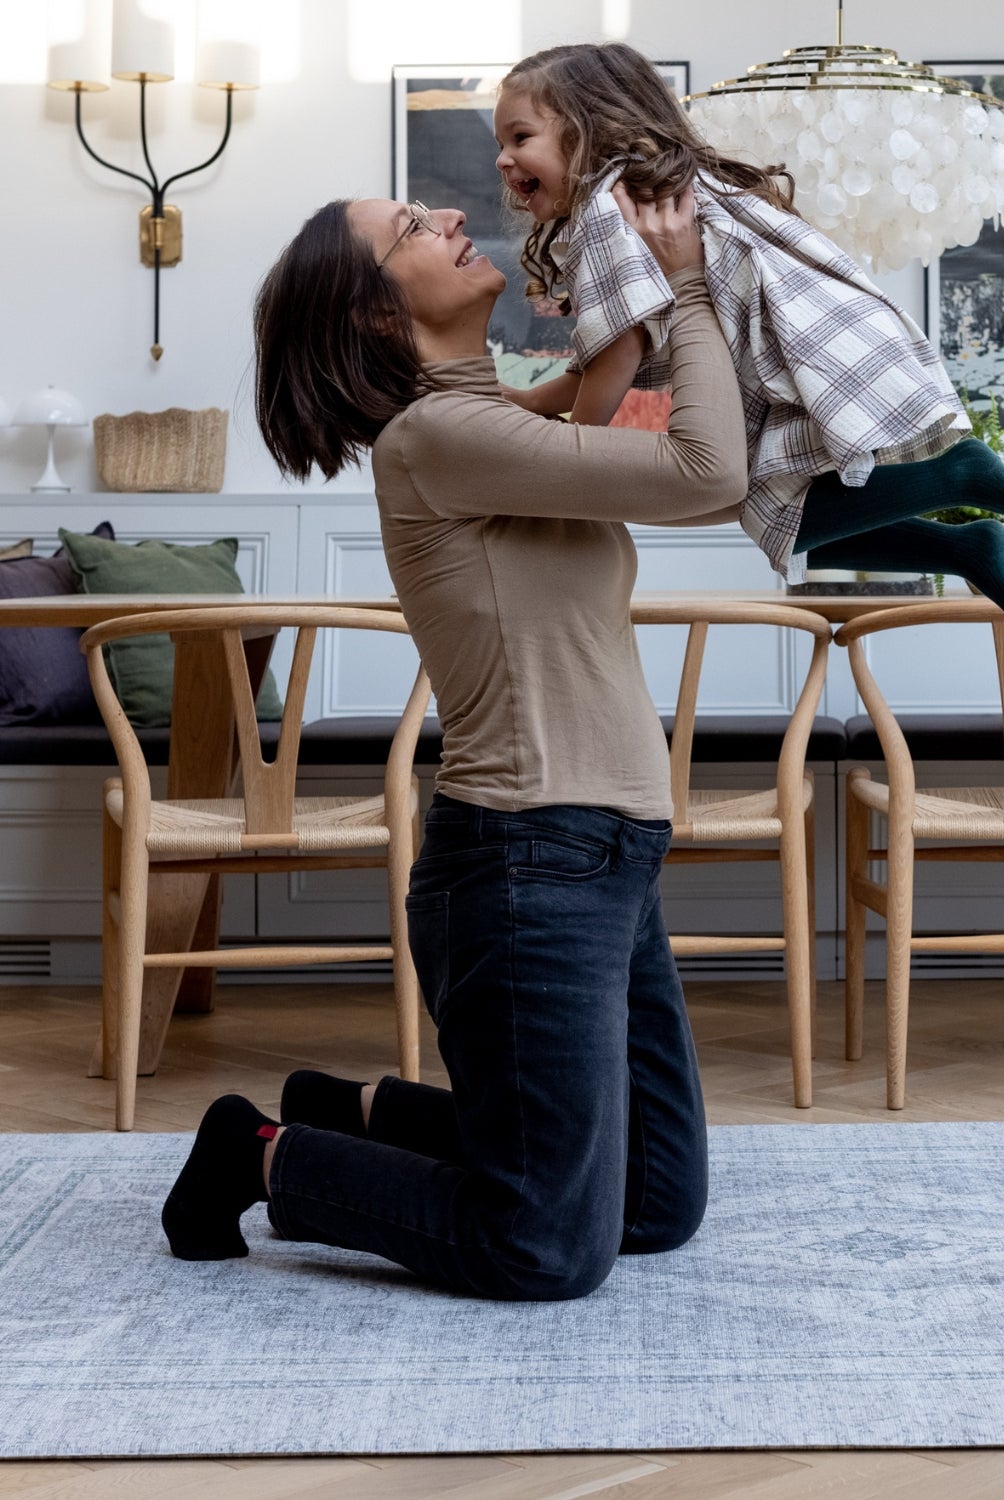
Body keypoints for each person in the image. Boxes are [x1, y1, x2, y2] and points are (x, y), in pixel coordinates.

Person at [159, 185, 746, 1300]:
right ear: (380, 316)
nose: (444, 216)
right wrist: (693, 285)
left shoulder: (495, 421)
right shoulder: (438, 436)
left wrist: (622, 272)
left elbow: (591, 384)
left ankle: (346, 1111)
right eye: (409, 230)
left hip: (606, 847)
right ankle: (260, 1151)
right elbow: (706, 473)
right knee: (542, 1247)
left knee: (656, 1204)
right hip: (527, 859)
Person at [493, 42, 1004, 634]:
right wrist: (534, 403)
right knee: (781, 520)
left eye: (521, 138)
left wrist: (576, 447)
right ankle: (964, 548)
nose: (505, 160)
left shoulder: (611, 209)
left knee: (781, 514)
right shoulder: (641, 190)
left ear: (589, 130)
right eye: (500, 144)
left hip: (792, 351)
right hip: (806, 340)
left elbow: (621, 346)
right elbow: (613, 345)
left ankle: (960, 476)